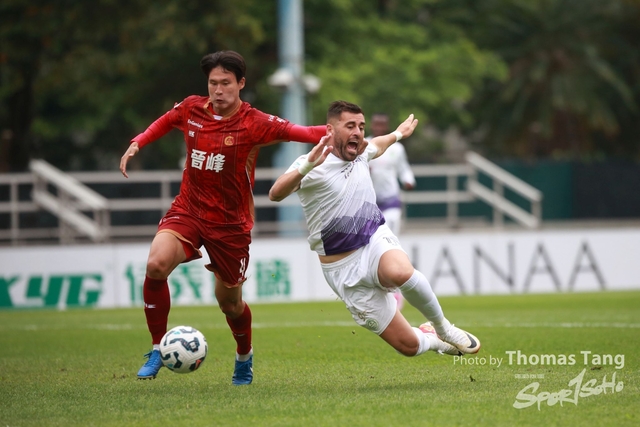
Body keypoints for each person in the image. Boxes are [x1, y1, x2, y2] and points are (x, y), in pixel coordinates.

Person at [119, 50, 327, 384]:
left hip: (230, 225)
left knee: (230, 304)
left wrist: (340, 133)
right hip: (188, 209)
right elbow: (166, 121)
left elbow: (300, 131)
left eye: (226, 83)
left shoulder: (254, 122)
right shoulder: (191, 108)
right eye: (213, 82)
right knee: (156, 265)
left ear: (241, 83)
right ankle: (157, 348)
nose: (218, 90)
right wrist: (138, 142)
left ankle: (244, 356)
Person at [269, 101, 480, 359]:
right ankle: (433, 340)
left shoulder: (361, 152)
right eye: (350, 126)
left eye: (361, 126)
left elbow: (378, 145)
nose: (358, 132)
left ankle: (444, 328)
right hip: (342, 270)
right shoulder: (311, 163)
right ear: (330, 130)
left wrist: (398, 134)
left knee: (400, 272)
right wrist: (306, 167)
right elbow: (275, 193)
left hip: (373, 239)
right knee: (409, 347)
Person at [367, 113, 416, 311]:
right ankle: (380, 287)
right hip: (371, 205)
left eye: (382, 124)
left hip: (391, 202)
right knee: (372, 247)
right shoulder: (365, 145)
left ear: (387, 126)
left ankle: (395, 291)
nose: (379, 127)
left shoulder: (396, 148)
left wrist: (408, 180)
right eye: (376, 124)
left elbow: (404, 169)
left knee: (389, 243)